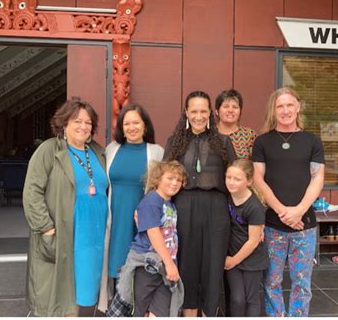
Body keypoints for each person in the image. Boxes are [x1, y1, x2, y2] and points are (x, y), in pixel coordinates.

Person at [23, 97, 109, 316]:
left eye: (88, 122)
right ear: (64, 124)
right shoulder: (49, 150)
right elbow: (32, 192)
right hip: (64, 232)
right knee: (62, 298)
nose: (83, 126)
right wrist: (47, 229)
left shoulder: (99, 152)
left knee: (87, 293)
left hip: (94, 235)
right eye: (77, 121)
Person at [252, 87, 325, 317]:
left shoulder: (312, 141)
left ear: (298, 107)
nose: (285, 111)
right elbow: (258, 179)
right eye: (280, 106)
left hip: (305, 225)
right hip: (272, 224)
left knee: (301, 283)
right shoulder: (262, 142)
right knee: (271, 282)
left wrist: (299, 211)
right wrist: (283, 211)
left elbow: (318, 178)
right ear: (274, 110)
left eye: (289, 105)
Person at [164, 90, 237, 317]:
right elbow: (164, 179)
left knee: (213, 268)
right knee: (187, 266)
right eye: (193, 111)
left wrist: (250, 216)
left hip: (216, 210)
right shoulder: (174, 142)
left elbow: (235, 180)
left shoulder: (224, 142)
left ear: (210, 113)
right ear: (186, 112)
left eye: (203, 111)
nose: (198, 116)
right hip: (184, 208)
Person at [98, 103, 164, 311]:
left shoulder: (156, 152)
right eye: (127, 123)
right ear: (121, 127)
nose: (131, 127)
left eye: (136, 122)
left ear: (145, 126)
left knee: (142, 272)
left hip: (143, 222)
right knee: (118, 271)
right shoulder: (111, 150)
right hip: (116, 220)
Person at [106, 160, 187, 317]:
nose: (175, 183)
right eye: (170, 178)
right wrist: (170, 264)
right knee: (138, 312)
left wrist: (169, 265)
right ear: (157, 178)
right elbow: (154, 234)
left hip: (163, 269)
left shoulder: (169, 205)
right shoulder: (151, 201)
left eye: (179, 180)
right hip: (147, 266)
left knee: (161, 312)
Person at [224, 158, 268, 317]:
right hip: (232, 254)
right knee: (237, 299)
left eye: (237, 179)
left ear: (249, 181)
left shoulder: (254, 206)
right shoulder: (227, 195)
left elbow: (253, 241)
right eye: (228, 177)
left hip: (251, 258)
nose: (231, 182)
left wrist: (233, 260)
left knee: (251, 298)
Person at [215, 89, 256, 159]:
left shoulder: (249, 135)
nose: (230, 110)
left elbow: (256, 164)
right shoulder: (208, 134)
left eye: (235, 107)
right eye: (226, 106)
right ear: (217, 111)